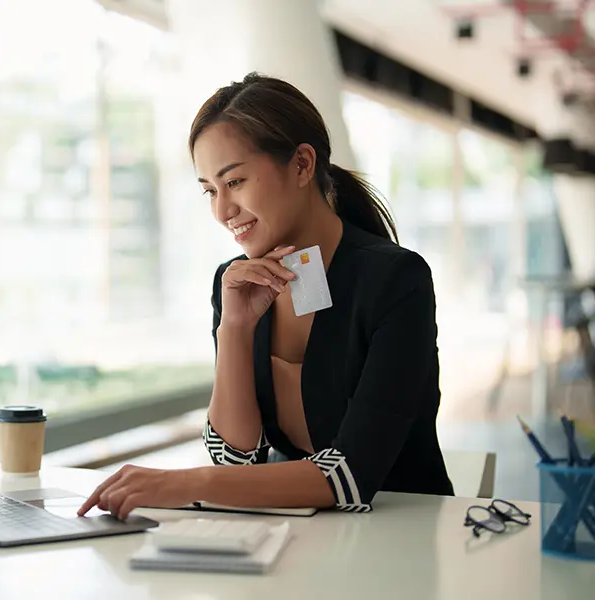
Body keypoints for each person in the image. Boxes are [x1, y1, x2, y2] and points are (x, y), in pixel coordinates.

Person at [79, 72, 454, 520]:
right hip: (296, 539)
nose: (221, 211)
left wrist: (182, 482)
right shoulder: (236, 283)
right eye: (209, 191)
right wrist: (235, 328)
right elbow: (235, 460)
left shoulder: (395, 279)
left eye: (235, 182)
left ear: (301, 165)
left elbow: (350, 477)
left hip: (401, 541)